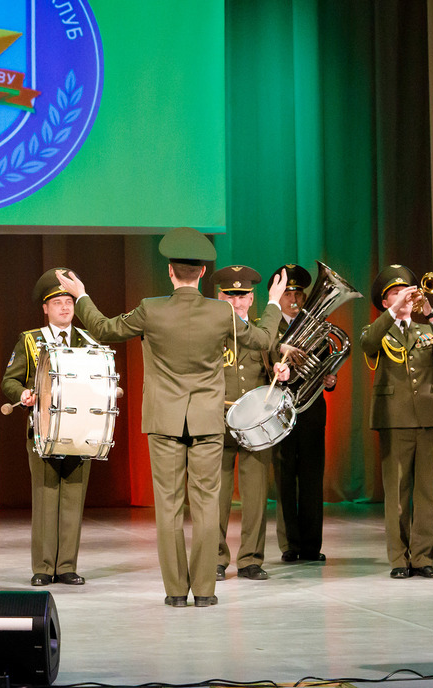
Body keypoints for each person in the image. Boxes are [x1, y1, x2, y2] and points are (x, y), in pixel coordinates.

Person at [56, 228, 285, 607]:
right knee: (207, 504)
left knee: (169, 506)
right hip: (208, 421)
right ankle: (205, 591)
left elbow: (102, 328)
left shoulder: (151, 308)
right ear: (202, 273)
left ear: (170, 272)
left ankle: (177, 591)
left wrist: (81, 295)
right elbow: (262, 340)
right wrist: (273, 302)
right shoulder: (222, 312)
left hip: (164, 421)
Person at [359, 265, 433, 579]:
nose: (403, 297)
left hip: (430, 416)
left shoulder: (426, 329)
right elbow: (368, 344)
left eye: (406, 291)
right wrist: (393, 312)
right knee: (398, 493)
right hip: (395, 418)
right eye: (395, 293)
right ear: (384, 302)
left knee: (427, 493)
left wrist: (430, 312)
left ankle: (423, 558)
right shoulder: (377, 329)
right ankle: (399, 560)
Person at [1, 268, 93, 587]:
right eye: (57, 303)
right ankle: (43, 566)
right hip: (42, 429)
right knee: (45, 496)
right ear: (45, 308)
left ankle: (66, 566)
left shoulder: (87, 340)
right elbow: (9, 380)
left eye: (69, 301)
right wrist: (22, 394)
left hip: (80, 430)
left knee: (73, 498)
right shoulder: (30, 340)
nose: (65, 308)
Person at [212, 265, 288, 582]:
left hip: (256, 423)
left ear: (252, 298)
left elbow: (277, 361)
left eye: (242, 296)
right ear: (220, 297)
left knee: (256, 496)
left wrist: (283, 370)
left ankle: (251, 560)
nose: (237, 301)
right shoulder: (210, 331)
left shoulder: (263, 331)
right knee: (216, 496)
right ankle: (214, 559)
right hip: (218, 420)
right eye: (230, 295)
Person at [271, 263, 337, 563]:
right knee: (285, 478)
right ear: (278, 296)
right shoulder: (269, 328)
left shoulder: (318, 328)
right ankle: (290, 544)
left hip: (311, 410)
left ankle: (311, 545)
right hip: (280, 410)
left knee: (312, 478)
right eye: (288, 294)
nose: (295, 299)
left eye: (299, 294)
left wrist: (330, 379)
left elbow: (326, 365)